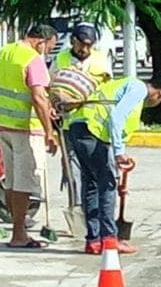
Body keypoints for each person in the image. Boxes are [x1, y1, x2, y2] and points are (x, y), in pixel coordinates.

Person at [67, 72, 161, 255]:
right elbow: (116, 117)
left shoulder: (122, 84)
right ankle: (109, 238)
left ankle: (93, 240)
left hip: (77, 128)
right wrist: (119, 153)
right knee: (107, 185)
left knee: (91, 184)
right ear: (160, 94)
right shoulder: (138, 89)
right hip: (92, 131)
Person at [0, 24, 60, 249]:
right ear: (41, 41)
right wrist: (49, 132)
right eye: (49, 48)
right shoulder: (33, 59)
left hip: (2, 125)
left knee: (11, 182)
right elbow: (39, 98)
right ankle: (19, 234)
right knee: (23, 182)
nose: (47, 53)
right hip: (24, 128)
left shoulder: (5, 52)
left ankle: (18, 230)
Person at [50, 23, 113, 207]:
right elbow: (49, 86)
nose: (84, 49)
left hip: (95, 126)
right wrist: (53, 105)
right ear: (73, 41)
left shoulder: (101, 59)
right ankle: (77, 208)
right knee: (73, 170)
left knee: (100, 170)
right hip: (69, 124)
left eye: (89, 45)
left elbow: (109, 89)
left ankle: (98, 211)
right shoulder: (61, 58)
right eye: (81, 44)